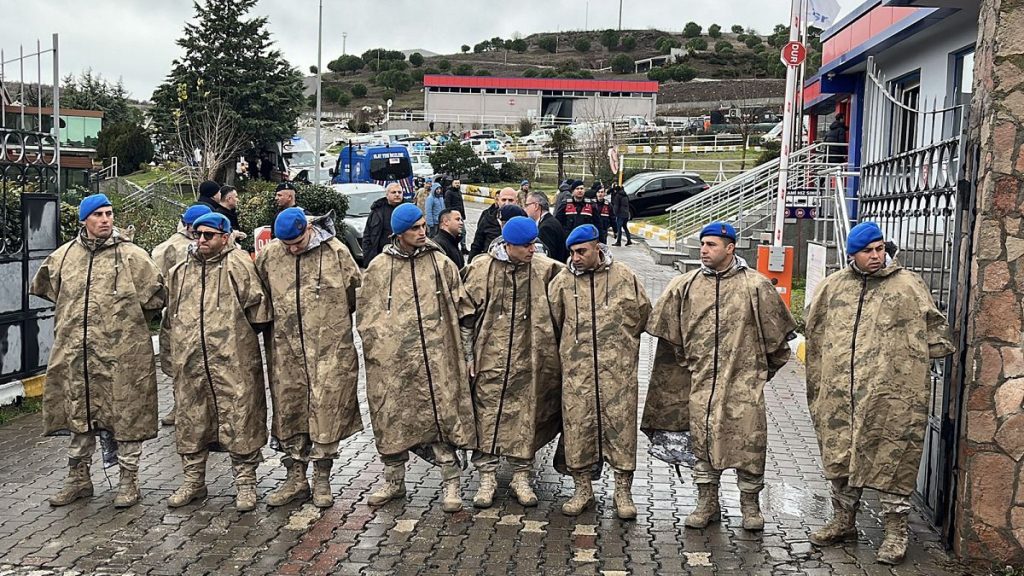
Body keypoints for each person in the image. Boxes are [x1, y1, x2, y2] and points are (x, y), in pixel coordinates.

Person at [804, 221, 954, 565]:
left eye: (880, 249)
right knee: (840, 455)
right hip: (840, 394)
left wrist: (901, 361)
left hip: (890, 396)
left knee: (892, 458)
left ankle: (895, 532)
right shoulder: (833, 287)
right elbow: (814, 330)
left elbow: (938, 336)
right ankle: (844, 521)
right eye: (867, 251)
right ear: (852, 255)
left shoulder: (907, 285)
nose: (876, 256)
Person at [643, 221, 796, 532]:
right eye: (702, 244)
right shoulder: (685, 286)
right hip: (700, 386)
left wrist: (755, 375)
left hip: (744, 388)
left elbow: (779, 346)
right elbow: (670, 342)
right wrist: (691, 368)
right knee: (703, 444)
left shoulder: (756, 287)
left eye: (711, 245)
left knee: (748, 445)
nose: (704, 250)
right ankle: (707, 502)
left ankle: (750, 506)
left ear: (730, 248)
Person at [30, 194, 165, 509]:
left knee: (126, 415)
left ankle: (128, 481)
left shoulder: (133, 257)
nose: (105, 219)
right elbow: (47, 289)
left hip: (123, 357)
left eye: (109, 213)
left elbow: (156, 298)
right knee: (78, 413)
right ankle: (78, 478)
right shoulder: (63, 258)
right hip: (76, 356)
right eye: (98, 214)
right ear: (84, 220)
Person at [357, 204, 477, 513]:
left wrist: (466, 353)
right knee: (392, 418)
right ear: (399, 233)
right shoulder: (379, 268)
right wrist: (380, 350)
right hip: (395, 364)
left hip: (437, 360)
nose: (422, 232)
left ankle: (451, 482)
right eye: (415, 228)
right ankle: (394, 480)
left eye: (424, 225)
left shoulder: (440, 263)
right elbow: (366, 317)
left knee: (442, 418)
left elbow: (463, 309)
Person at [164, 212, 272, 512]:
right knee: (192, 421)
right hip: (191, 364)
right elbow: (170, 315)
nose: (201, 240)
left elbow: (258, 311)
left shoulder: (239, 265)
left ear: (225, 237)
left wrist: (234, 340)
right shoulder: (181, 270)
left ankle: (245, 483)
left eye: (209, 235)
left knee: (241, 419)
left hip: (232, 362)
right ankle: (193, 480)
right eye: (197, 234)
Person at [256, 208, 363, 509]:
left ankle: (322, 477)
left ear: (308, 230)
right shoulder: (270, 255)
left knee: (326, 412)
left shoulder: (335, 253)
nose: (292, 249)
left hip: (328, 350)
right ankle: (295, 477)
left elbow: (354, 294)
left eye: (297, 243)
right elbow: (261, 296)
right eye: (286, 244)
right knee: (289, 411)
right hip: (285, 351)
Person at [548, 224, 651, 519]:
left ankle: (623, 491)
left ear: (597, 247)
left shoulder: (624, 277)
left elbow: (643, 315)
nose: (576, 257)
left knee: (621, 431)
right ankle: (582, 490)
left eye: (582, 251)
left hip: (617, 375)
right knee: (578, 430)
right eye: (572, 252)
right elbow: (552, 323)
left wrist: (622, 348)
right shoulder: (563, 282)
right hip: (578, 375)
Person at [462, 216, 562, 508]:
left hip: (530, 359)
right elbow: (465, 317)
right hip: (489, 359)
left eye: (533, 244)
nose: (532, 250)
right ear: (508, 245)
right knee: (486, 415)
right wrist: (468, 355)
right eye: (526, 246)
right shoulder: (482, 269)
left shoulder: (545, 269)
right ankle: (486, 476)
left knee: (527, 415)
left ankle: (521, 475)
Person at [151, 204, 213, 427]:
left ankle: (195, 408)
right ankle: (182, 406)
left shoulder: (168, 247)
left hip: (198, 313)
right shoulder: (172, 247)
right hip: (181, 314)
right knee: (182, 364)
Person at [361, 182, 405, 266]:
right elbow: (367, 235)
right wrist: (368, 257)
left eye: (399, 192)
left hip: (403, 256)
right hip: (380, 257)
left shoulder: (409, 210)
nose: (397, 194)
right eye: (393, 192)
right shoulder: (377, 211)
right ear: (387, 195)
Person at [469, 187, 518, 261]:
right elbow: (477, 245)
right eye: (504, 200)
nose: (507, 203)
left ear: (516, 202)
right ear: (498, 201)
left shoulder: (522, 220)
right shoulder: (488, 218)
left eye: (510, 200)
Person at [526, 192, 566, 263]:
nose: (525, 208)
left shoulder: (546, 227)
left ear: (536, 206)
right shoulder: (550, 221)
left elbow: (547, 257)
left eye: (527, 205)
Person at [444, 179, 468, 254]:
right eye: (455, 183)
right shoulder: (449, 192)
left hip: (460, 215)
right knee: (454, 232)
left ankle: (463, 248)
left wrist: (463, 215)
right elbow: (447, 205)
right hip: (453, 216)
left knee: (463, 232)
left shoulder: (459, 192)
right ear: (452, 184)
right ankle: (454, 247)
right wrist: (450, 215)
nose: (457, 184)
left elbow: (461, 204)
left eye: (458, 183)